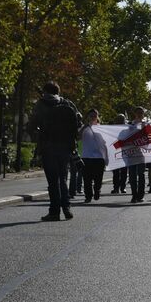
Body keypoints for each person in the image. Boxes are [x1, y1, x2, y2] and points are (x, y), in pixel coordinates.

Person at [27, 81, 83, 221]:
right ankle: (66, 208)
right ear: (58, 91)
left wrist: (36, 133)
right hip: (66, 146)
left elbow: (32, 125)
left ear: (45, 91)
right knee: (63, 178)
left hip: (48, 145)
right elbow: (79, 123)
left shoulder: (41, 104)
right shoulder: (67, 103)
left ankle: (54, 211)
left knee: (53, 181)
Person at [79, 109, 108, 203]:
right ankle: (88, 196)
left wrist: (106, 157)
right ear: (88, 117)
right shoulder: (84, 128)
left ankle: (97, 191)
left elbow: (107, 143)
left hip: (99, 158)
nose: (93, 117)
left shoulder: (102, 129)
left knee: (98, 178)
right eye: (91, 116)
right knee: (87, 179)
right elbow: (77, 137)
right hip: (86, 157)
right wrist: (84, 127)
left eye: (94, 116)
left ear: (97, 117)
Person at [124, 108, 149, 204]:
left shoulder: (146, 124)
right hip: (131, 154)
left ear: (143, 114)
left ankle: (141, 195)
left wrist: (144, 128)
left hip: (141, 154)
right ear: (135, 113)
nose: (139, 114)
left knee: (141, 175)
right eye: (138, 112)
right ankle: (134, 195)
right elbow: (124, 137)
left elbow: (149, 138)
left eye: (141, 113)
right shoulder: (130, 125)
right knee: (132, 176)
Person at [111, 114, 128, 194]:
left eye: (122, 119)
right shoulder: (111, 129)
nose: (120, 120)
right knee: (116, 172)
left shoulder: (127, 129)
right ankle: (116, 187)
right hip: (115, 152)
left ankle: (123, 187)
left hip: (125, 152)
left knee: (124, 171)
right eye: (119, 119)